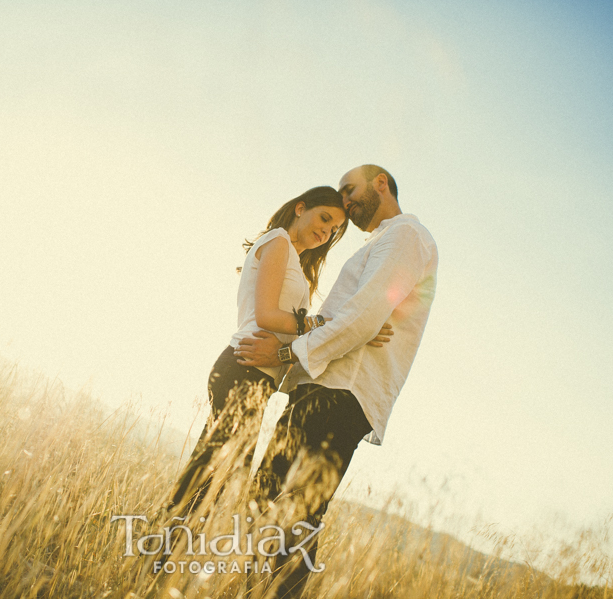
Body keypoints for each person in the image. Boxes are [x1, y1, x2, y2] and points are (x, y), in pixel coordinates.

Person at [235, 164, 438, 599]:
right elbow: (356, 317)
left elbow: (364, 317)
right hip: (325, 387)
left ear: (380, 183)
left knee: (295, 514)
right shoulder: (386, 241)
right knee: (267, 505)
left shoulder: (405, 236)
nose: (344, 201)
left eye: (350, 190)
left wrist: (284, 352)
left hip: (342, 393)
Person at [166, 186, 380, 516]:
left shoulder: (289, 254)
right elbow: (266, 316)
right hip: (244, 368)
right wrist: (330, 323)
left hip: (254, 374)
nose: (326, 231)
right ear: (300, 208)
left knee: (212, 475)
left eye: (334, 229)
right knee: (209, 478)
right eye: (324, 218)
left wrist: (355, 330)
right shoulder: (278, 240)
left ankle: (160, 555)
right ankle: (158, 556)